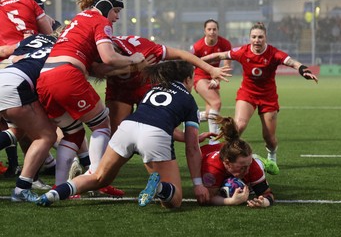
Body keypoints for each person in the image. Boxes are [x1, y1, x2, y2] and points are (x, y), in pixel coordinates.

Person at [36, 60, 210, 208]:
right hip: (154, 136)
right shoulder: (189, 100)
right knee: (174, 201)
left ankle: (54, 195)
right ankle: (159, 188)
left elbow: (153, 119)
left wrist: (185, 137)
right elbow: (193, 148)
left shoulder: (152, 90)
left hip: (127, 128)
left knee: (98, 177)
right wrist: (198, 184)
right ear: (187, 79)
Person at [35, 0, 149, 196]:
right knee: (102, 125)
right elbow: (108, 58)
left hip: (45, 78)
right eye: (115, 10)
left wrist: (129, 67)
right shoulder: (100, 21)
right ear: (105, 6)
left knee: (74, 133)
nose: (117, 16)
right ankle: (97, 179)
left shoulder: (79, 18)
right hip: (67, 76)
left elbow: (98, 68)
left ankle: (60, 186)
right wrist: (134, 59)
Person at [202, 22, 318, 175]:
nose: (257, 40)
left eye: (260, 37)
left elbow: (292, 62)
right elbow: (219, 55)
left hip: (268, 97)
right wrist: (196, 61)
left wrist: (303, 70)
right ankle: (227, 158)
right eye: (254, 37)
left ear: (265, 38)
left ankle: (272, 155)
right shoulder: (242, 51)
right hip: (247, 94)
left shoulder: (273, 53)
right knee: (239, 126)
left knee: (269, 137)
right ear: (249, 38)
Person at [102, 35, 232, 135]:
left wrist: (211, 69)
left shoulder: (146, 48)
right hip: (119, 89)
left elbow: (182, 54)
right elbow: (96, 71)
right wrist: (134, 67)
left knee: (159, 125)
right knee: (117, 133)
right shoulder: (100, 50)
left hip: (145, 84)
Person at [0, 32, 59, 202]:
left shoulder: (36, 39)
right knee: (46, 136)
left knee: (17, 131)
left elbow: (14, 58)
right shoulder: (63, 47)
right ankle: (21, 189)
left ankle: (28, 181)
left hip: (5, 75)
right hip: (17, 84)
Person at [200, 116, 274, 208]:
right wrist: (230, 201)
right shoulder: (212, 167)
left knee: (256, 166)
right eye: (242, 167)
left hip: (233, 159)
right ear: (227, 163)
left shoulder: (251, 165)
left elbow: (268, 194)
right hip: (205, 154)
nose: (247, 170)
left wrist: (264, 202)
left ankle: (259, 162)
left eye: (248, 165)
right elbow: (207, 198)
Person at [191, 19, 232, 145]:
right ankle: (213, 140)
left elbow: (227, 65)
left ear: (218, 30)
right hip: (200, 76)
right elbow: (192, 64)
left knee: (211, 112)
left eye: (214, 29)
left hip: (214, 76)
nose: (212, 32)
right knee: (216, 102)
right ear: (205, 31)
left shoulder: (225, 44)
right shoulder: (197, 47)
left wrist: (216, 79)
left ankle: (191, 119)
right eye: (209, 29)